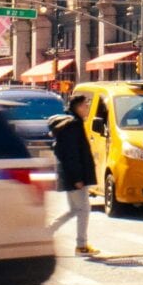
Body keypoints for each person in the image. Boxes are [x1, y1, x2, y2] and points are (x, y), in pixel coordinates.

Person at [48, 94, 98, 256]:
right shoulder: (73, 125)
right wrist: (77, 178)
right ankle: (81, 245)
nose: (87, 108)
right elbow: (72, 154)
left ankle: (46, 232)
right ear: (77, 106)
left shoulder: (72, 124)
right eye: (85, 105)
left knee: (74, 209)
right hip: (75, 175)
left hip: (71, 174)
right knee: (83, 209)